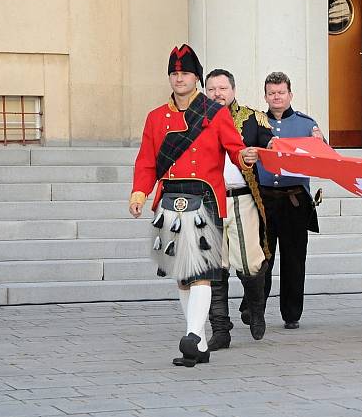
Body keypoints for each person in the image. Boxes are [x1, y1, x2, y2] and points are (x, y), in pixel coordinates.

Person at [129, 44, 258, 367]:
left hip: (205, 198)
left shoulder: (215, 113)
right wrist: (139, 193)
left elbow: (235, 148)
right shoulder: (156, 117)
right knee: (182, 274)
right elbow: (146, 160)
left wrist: (245, 157)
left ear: (196, 78)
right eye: (174, 74)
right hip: (170, 197)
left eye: (184, 73)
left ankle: (193, 337)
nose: (179, 78)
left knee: (201, 272)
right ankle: (197, 342)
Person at [204, 68, 274, 349]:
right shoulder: (197, 120)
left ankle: (256, 309)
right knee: (214, 265)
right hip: (208, 199)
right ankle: (220, 328)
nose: (217, 94)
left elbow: (271, 145)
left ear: (233, 90)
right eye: (212, 89)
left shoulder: (253, 118)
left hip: (243, 197)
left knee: (250, 262)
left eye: (223, 88)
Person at [252, 71, 324, 330]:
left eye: (281, 92)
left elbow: (323, 159)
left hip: (294, 200)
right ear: (265, 96)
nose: (276, 97)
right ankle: (255, 308)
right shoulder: (256, 123)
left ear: (290, 94)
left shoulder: (306, 124)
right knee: (261, 258)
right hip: (264, 201)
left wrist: (319, 143)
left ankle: (291, 313)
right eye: (272, 93)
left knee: (294, 259)